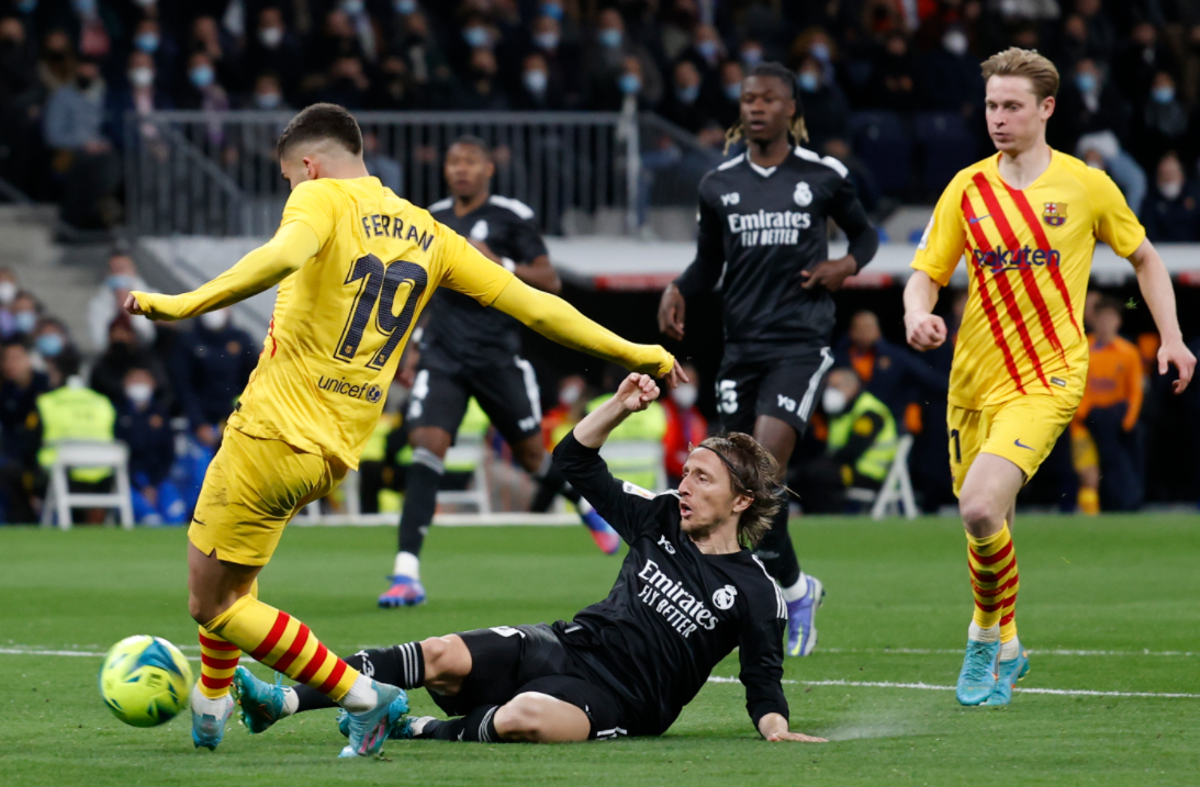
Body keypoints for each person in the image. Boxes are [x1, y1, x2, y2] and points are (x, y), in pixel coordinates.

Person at [124, 103, 683, 758]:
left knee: (211, 602)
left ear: (308, 164)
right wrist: (633, 349)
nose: (292, 192)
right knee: (229, 581)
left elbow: (281, 256)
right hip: (330, 452)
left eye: (290, 180)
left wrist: (183, 304)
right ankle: (213, 704)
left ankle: (364, 696)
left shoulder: (320, 198)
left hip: (271, 432)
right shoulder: (429, 230)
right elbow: (535, 305)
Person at [230, 373, 825, 747]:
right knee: (437, 653)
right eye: (687, 471)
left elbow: (762, 684)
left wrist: (776, 729)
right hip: (567, 646)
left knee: (525, 718)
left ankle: (412, 727)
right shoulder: (661, 514)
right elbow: (573, 462)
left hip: (627, 701)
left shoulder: (755, 591)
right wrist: (618, 406)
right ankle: (281, 703)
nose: (685, 484)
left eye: (702, 478)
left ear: (742, 500)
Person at [903, 48, 1195, 708]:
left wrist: (1172, 338)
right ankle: (1009, 642)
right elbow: (926, 271)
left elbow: (1145, 259)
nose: (998, 119)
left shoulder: (1085, 184)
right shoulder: (967, 187)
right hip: (972, 380)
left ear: (1046, 109)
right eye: (990, 106)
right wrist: (917, 313)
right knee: (988, 520)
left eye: (1010, 106)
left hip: (1048, 378)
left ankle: (981, 634)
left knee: (979, 506)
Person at [657, 61, 880, 658]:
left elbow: (866, 237)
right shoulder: (719, 183)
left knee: (757, 472)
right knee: (739, 483)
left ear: (789, 109)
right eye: (748, 98)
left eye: (768, 99)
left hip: (800, 344)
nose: (756, 107)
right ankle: (795, 587)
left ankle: (765, 600)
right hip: (741, 346)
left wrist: (844, 266)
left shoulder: (823, 175)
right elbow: (709, 265)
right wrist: (678, 286)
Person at [382, 136, 625, 610]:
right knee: (426, 451)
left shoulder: (511, 215)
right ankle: (405, 572)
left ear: (488, 168)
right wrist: (410, 347)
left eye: (470, 161)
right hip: (443, 357)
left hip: (496, 357)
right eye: (453, 161)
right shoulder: (432, 219)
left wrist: (501, 263)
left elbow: (550, 280)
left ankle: (585, 505)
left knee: (534, 458)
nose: (461, 169)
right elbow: (421, 290)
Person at [1075, 297, 1145, 512]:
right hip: (1085, 423)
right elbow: (1075, 385)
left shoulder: (1128, 352)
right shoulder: (1082, 349)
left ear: (1118, 321)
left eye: (1110, 318)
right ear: (1094, 320)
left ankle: (1122, 507)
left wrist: (1127, 421)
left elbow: (1135, 391)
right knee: (1089, 473)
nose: (1105, 323)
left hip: (1116, 422)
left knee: (1118, 468)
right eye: (1101, 318)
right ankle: (1090, 519)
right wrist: (1084, 413)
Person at [796, 367, 897, 513]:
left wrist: (825, 461)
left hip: (869, 473)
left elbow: (853, 450)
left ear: (852, 387)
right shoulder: (842, 411)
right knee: (804, 471)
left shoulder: (870, 412)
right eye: (829, 387)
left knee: (818, 473)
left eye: (835, 387)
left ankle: (828, 515)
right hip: (847, 467)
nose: (830, 391)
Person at [662, 361, 707, 488]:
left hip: (689, 483)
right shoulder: (660, 412)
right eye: (682, 381)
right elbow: (663, 454)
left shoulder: (698, 419)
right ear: (670, 383)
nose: (687, 386)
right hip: (666, 482)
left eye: (691, 382)